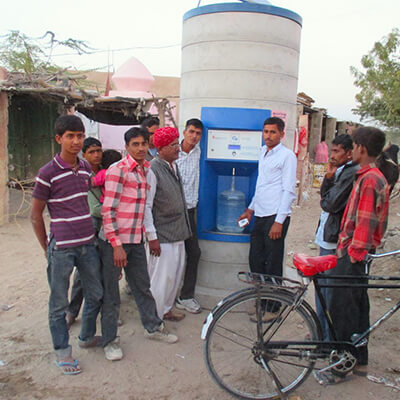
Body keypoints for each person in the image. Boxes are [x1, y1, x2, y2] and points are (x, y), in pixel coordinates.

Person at [30, 115, 103, 375]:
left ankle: (85, 337)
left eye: (79, 136)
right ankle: (63, 353)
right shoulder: (46, 173)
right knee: (59, 304)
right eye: (70, 136)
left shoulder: (84, 168)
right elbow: (36, 215)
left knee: (96, 294)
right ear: (59, 139)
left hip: (87, 245)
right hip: (61, 247)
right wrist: (47, 247)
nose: (75, 141)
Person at [100, 127, 178, 361]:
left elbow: (144, 208)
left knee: (142, 287)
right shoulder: (118, 171)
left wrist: (149, 236)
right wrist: (116, 246)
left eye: (144, 144)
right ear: (127, 147)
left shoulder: (146, 171)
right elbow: (108, 211)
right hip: (114, 242)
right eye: (136, 144)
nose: (141, 148)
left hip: (135, 240)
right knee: (111, 294)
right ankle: (110, 341)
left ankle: (153, 328)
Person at [329, 127, 390, 377]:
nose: (351, 150)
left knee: (344, 310)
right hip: (357, 254)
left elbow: (364, 225)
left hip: (355, 255)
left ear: (361, 149)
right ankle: (359, 360)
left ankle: (344, 364)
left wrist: (352, 256)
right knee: (357, 307)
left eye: (353, 146)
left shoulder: (370, 180)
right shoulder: (368, 176)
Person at [238, 117, 297, 322]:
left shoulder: (287, 156)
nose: (268, 136)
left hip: (275, 216)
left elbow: (289, 190)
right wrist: (250, 210)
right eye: (265, 132)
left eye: (273, 132)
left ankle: (273, 307)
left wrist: (279, 221)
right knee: (256, 260)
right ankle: (262, 301)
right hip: (260, 214)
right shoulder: (263, 153)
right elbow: (262, 186)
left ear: (282, 133)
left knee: (272, 264)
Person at [314, 134, 359, 341]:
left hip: (334, 241)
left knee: (329, 294)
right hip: (327, 237)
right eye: (331, 151)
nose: (332, 156)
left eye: (336, 151)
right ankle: (321, 334)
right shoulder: (338, 171)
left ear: (349, 153)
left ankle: (328, 340)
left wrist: (329, 184)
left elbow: (329, 204)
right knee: (322, 291)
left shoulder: (350, 174)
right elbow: (325, 199)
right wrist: (329, 178)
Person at [144, 126, 192, 322]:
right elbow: (147, 206)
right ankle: (154, 318)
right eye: (173, 145)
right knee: (161, 278)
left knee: (174, 275)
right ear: (160, 148)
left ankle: (166, 310)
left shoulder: (173, 166)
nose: (177, 148)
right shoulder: (153, 170)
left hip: (177, 232)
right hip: (162, 235)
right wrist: (152, 237)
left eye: (176, 143)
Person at [66, 137, 103, 329]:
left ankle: (101, 312)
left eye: (98, 151)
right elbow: (94, 209)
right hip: (88, 231)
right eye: (92, 152)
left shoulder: (105, 171)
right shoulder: (82, 174)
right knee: (83, 275)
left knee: (104, 273)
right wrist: (114, 208)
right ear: (84, 154)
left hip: (105, 230)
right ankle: (72, 311)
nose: (96, 155)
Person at [175, 118, 204, 314]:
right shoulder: (172, 153)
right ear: (184, 132)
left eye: (198, 133)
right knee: (171, 256)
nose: (194, 136)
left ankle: (185, 296)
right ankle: (163, 297)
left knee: (193, 253)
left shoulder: (199, 153)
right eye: (191, 131)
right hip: (171, 213)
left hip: (190, 210)